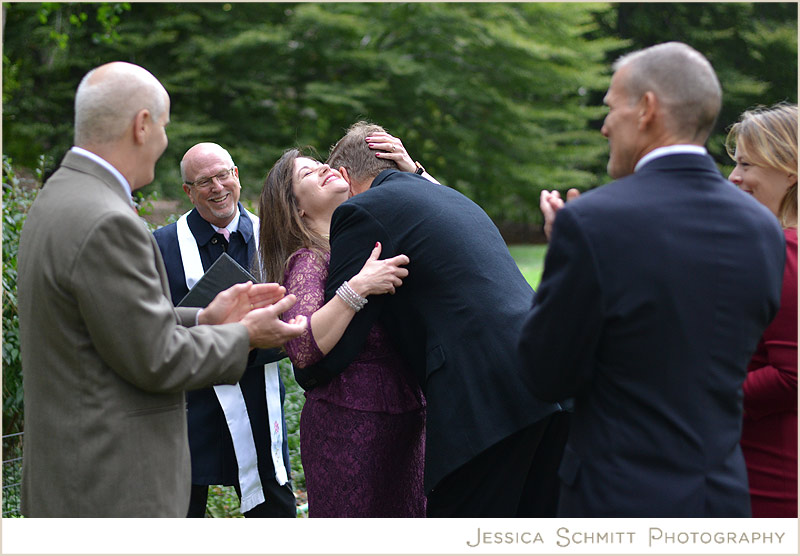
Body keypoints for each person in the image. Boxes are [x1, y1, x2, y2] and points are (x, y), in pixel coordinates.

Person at [17, 61, 306, 518]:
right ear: (142, 125)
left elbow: (112, 323)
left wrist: (203, 317)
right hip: (107, 478)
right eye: (165, 126)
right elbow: (157, 358)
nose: (164, 140)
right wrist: (245, 335)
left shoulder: (57, 198)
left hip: (67, 464)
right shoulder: (109, 222)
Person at [518, 42, 786, 517]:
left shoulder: (594, 222)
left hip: (618, 499)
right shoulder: (761, 227)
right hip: (722, 497)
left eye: (610, 108)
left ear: (646, 108)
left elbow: (546, 375)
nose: (605, 126)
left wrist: (568, 257)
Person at [293, 122, 569, 518]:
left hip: (487, 396)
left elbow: (337, 348)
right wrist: (416, 169)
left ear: (345, 178)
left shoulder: (361, 210)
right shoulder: (451, 197)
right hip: (548, 374)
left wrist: (309, 372)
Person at [257, 137, 425, 517]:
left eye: (321, 162)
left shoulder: (367, 240)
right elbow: (301, 346)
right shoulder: (309, 260)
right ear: (296, 208)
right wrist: (358, 287)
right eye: (307, 172)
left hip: (407, 418)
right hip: (348, 427)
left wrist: (413, 171)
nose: (323, 167)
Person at [153, 142, 295, 518]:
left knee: (275, 513)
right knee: (179, 513)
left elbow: (295, 312)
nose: (217, 187)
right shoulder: (161, 246)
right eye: (204, 181)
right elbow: (154, 326)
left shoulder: (274, 237)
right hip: (190, 405)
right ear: (188, 191)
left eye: (222, 175)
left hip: (259, 396)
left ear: (236, 176)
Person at [726, 103, 798, 518]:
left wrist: (704, 393)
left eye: (747, 164)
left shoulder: (786, 251)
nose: (733, 177)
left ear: (790, 171)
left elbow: (792, 376)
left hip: (771, 476)